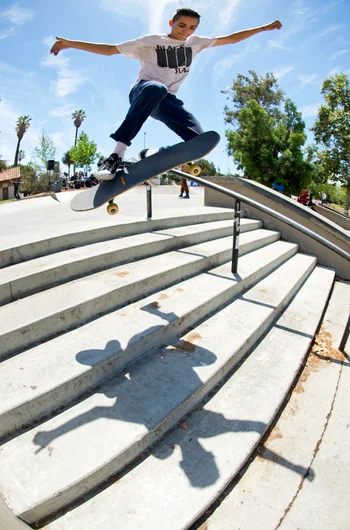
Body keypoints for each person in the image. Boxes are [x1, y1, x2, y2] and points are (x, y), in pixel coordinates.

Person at [50, 8, 282, 181]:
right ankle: (116, 155)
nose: (186, 31)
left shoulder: (196, 42)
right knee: (156, 87)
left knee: (199, 142)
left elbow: (231, 38)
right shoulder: (150, 41)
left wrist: (263, 28)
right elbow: (110, 50)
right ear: (171, 22)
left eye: (192, 28)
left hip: (167, 102)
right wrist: (70, 43)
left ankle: (150, 153)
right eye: (182, 25)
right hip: (143, 93)